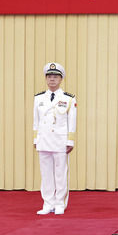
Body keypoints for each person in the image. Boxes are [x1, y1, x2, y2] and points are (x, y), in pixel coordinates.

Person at [33, 62, 77, 215]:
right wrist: (36, 139)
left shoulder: (68, 98)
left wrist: (70, 140)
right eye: (49, 76)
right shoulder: (39, 98)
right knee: (46, 174)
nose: (52, 79)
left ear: (61, 79)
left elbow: (72, 121)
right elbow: (36, 121)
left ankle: (59, 203)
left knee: (60, 174)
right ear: (46, 78)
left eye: (55, 77)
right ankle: (48, 203)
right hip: (44, 140)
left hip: (60, 141)